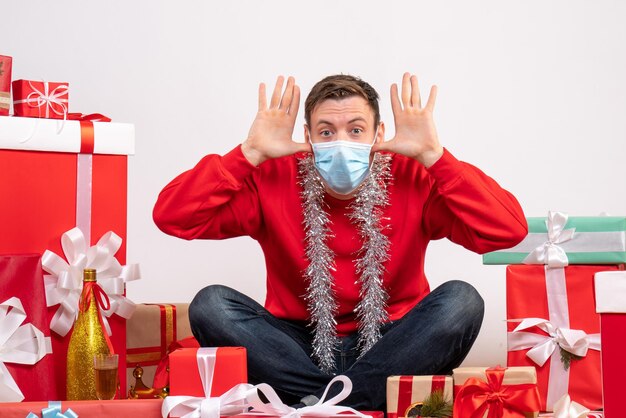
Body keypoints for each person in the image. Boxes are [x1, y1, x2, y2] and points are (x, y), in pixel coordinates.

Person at [153, 73, 527, 410]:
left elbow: (507, 230)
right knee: (211, 304)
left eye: (356, 129)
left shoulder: (412, 175)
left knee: (462, 300)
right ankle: (351, 401)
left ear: (379, 135)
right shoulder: (273, 176)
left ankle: (316, 403)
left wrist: (435, 157)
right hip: (295, 345)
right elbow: (173, 217)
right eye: (327, 131)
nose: (341, 143)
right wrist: (248, 154)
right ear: (308, 136)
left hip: (392, 343)